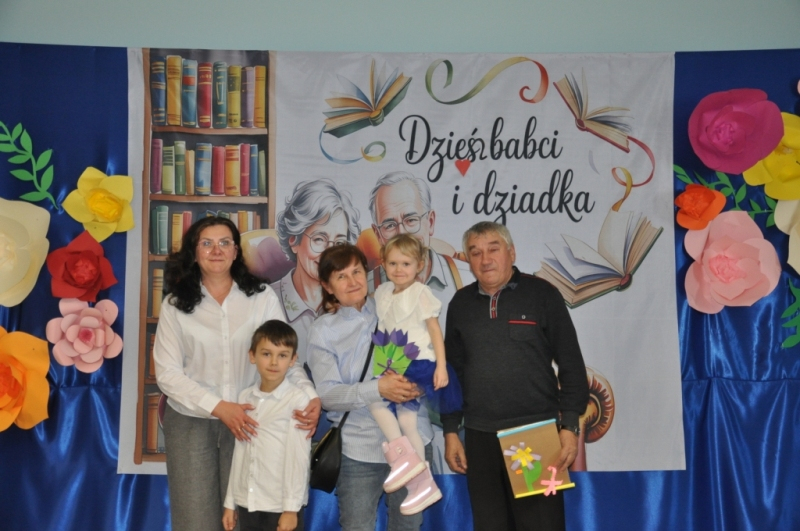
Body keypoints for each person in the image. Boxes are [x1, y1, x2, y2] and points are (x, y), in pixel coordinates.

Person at [154, 216, 321, 531]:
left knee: (247, 520)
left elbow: (282, 355)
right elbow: (167, 374)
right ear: (194, 252)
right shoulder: (175, 305)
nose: (216, 250)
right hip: (191, 423)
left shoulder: (261, 297)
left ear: (235, 251)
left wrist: (310, 395)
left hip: (252, 420)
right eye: (207, 243)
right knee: (195, 523)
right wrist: (219, 407)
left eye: (224, 243)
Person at [441, 221, 590, 531]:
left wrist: (569, 426)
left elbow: (571, 363)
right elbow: (452, 374)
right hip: (479, 437)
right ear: (468, 260)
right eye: (475, 252)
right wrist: (451, 430)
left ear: (511, 252)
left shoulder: (542, 295)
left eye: (493, 249)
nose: (485, 259)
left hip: (535, 433)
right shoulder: (460, 304)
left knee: (542, 526)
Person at [307, 244, 434, 530]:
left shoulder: (396, 304)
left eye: (356, 272)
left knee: (408, 526)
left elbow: (429, 353)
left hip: (413, 440)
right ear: (327, 286)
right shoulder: (323, 330)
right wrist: (378, 389)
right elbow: (328, 395)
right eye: (341, 276)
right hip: (359, 451)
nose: (352, 281)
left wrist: (421, 383)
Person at [368, 235, 462, 513]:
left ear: (419, 265)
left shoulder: (421, 293)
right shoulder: (383, 291)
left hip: (417, 362)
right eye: (393, 263)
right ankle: (421, 483)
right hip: (391, 361)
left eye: (406, 264)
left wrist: (441, 366)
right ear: (383, 264)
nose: (399, 269)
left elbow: (435, 331)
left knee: (387, 410)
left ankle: (406, 465)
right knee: (401, 418)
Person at [222, 320, 311, 531]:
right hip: (248, 503)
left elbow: (298, 458)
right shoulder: (245, 398)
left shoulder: (297, 400)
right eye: (266, 354)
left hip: (280, 506)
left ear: (293, 360)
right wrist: (230, 502)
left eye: (282, 355)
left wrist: (291, 509)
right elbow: (240, 453)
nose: (273, 362)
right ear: (252, 356)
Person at [366, 171, 473, 334]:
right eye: (389, 225)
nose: (402, 233)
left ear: (430, 222)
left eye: (411, 220)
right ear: (378, 235)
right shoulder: (364, 289)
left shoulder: (468, 278)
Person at [272, 178, 361, 365]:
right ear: (294, 241)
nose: (329, 253)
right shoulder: (267, 301)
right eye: (319, 239)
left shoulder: (355, 304)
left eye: (339, 243)